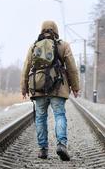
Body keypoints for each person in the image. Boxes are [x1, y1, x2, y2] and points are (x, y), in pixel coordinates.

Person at [21, 20, 79, 161]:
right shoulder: (63, 45)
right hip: (57, 88)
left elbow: (26, 67)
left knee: (40, 118)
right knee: (59, 115)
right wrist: (75, 87)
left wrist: (24, 87)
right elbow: (71, 68)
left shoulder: (34, 46)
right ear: (56, 30)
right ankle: (61, 145)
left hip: (38, 89)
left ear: (42, 30)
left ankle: (42, 149)